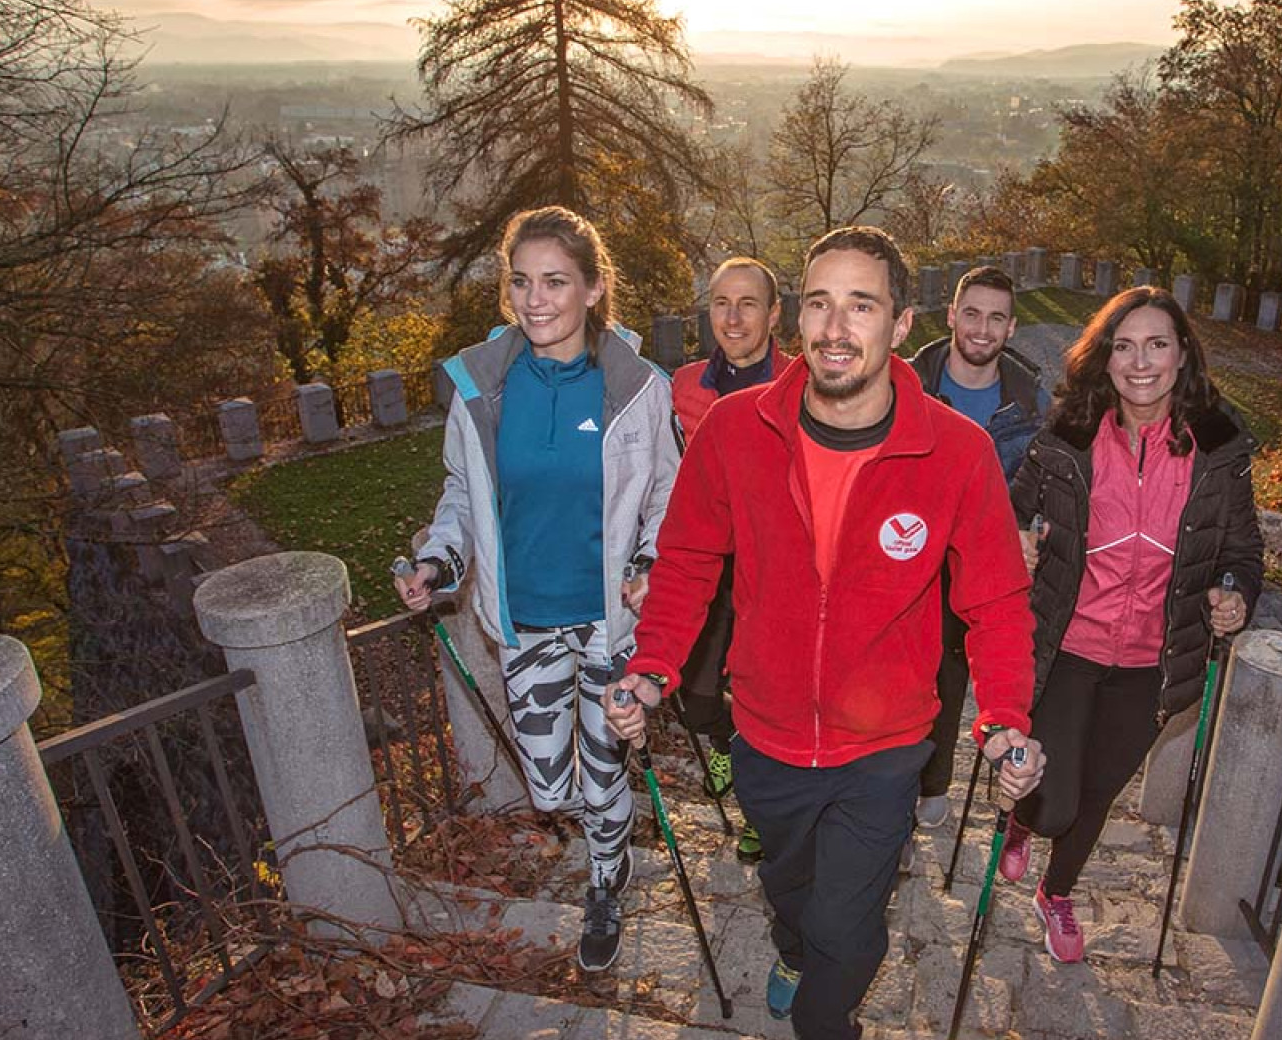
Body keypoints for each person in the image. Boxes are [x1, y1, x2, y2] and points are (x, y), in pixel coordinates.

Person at [607, 226, 1046, 1040]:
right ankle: (788, 941)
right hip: (766, 736)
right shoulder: (737, 432)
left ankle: (824, 1008)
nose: (835, 327)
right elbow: (688, 562)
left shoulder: (958, 451)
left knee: (844, 932)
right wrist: (652, 665)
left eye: (861, 305)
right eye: (819, 302)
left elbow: (996, 603)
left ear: (903, 324)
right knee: (789, 887)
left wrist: (1005, 717)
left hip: (883, 750)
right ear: (797, 318)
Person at [395, 206, 679, 973]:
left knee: (604, 762)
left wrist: (650, 565)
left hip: (607, 625)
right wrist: (438, 564)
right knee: (553, 787)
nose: (535, 298)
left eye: (555, 281)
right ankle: (598, 833)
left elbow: (667, 499)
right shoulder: (482, 386)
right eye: (521, 281)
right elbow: (462, 495)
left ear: (593, 289)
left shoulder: (637, 390)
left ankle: (604, 880)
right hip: (523, 621)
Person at [1000, 285, 1262, 964]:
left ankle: (1056, 893)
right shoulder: (1068, 436)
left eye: (1157, 344)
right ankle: (1024, 819)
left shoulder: (1220, 448)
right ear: (1105, 358)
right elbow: (1008, 514)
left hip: (1156, 659)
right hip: (1068, 646)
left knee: (1096, 795)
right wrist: (1018, 540)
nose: (1140, 361)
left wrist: (1234, 592)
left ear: (1182, 357)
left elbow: (1241, 549)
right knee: (1054, 803)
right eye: (1124, 345)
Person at [905, 265, 1048, 833]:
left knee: (950, 683)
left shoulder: (1030, 402)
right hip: (910, 559)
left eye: (995, 317)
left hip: (978, 567)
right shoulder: (909, 384)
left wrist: (1032, 532)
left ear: (1011, 327)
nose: (981, 328)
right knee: (904, 680)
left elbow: (1042, 489)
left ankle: (930, 787)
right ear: (951, 316)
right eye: (972, 313)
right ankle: (893, 800)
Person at [669, 256, 793, 864]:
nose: (734, 317)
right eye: (721, 303)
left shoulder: (800, 381)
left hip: (776, 572)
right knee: (695, 700)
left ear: (774, 315)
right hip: (707, 567)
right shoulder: (684, 386)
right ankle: (721, 739)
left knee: (762, 701)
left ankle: (759, 815)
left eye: (748, 304)